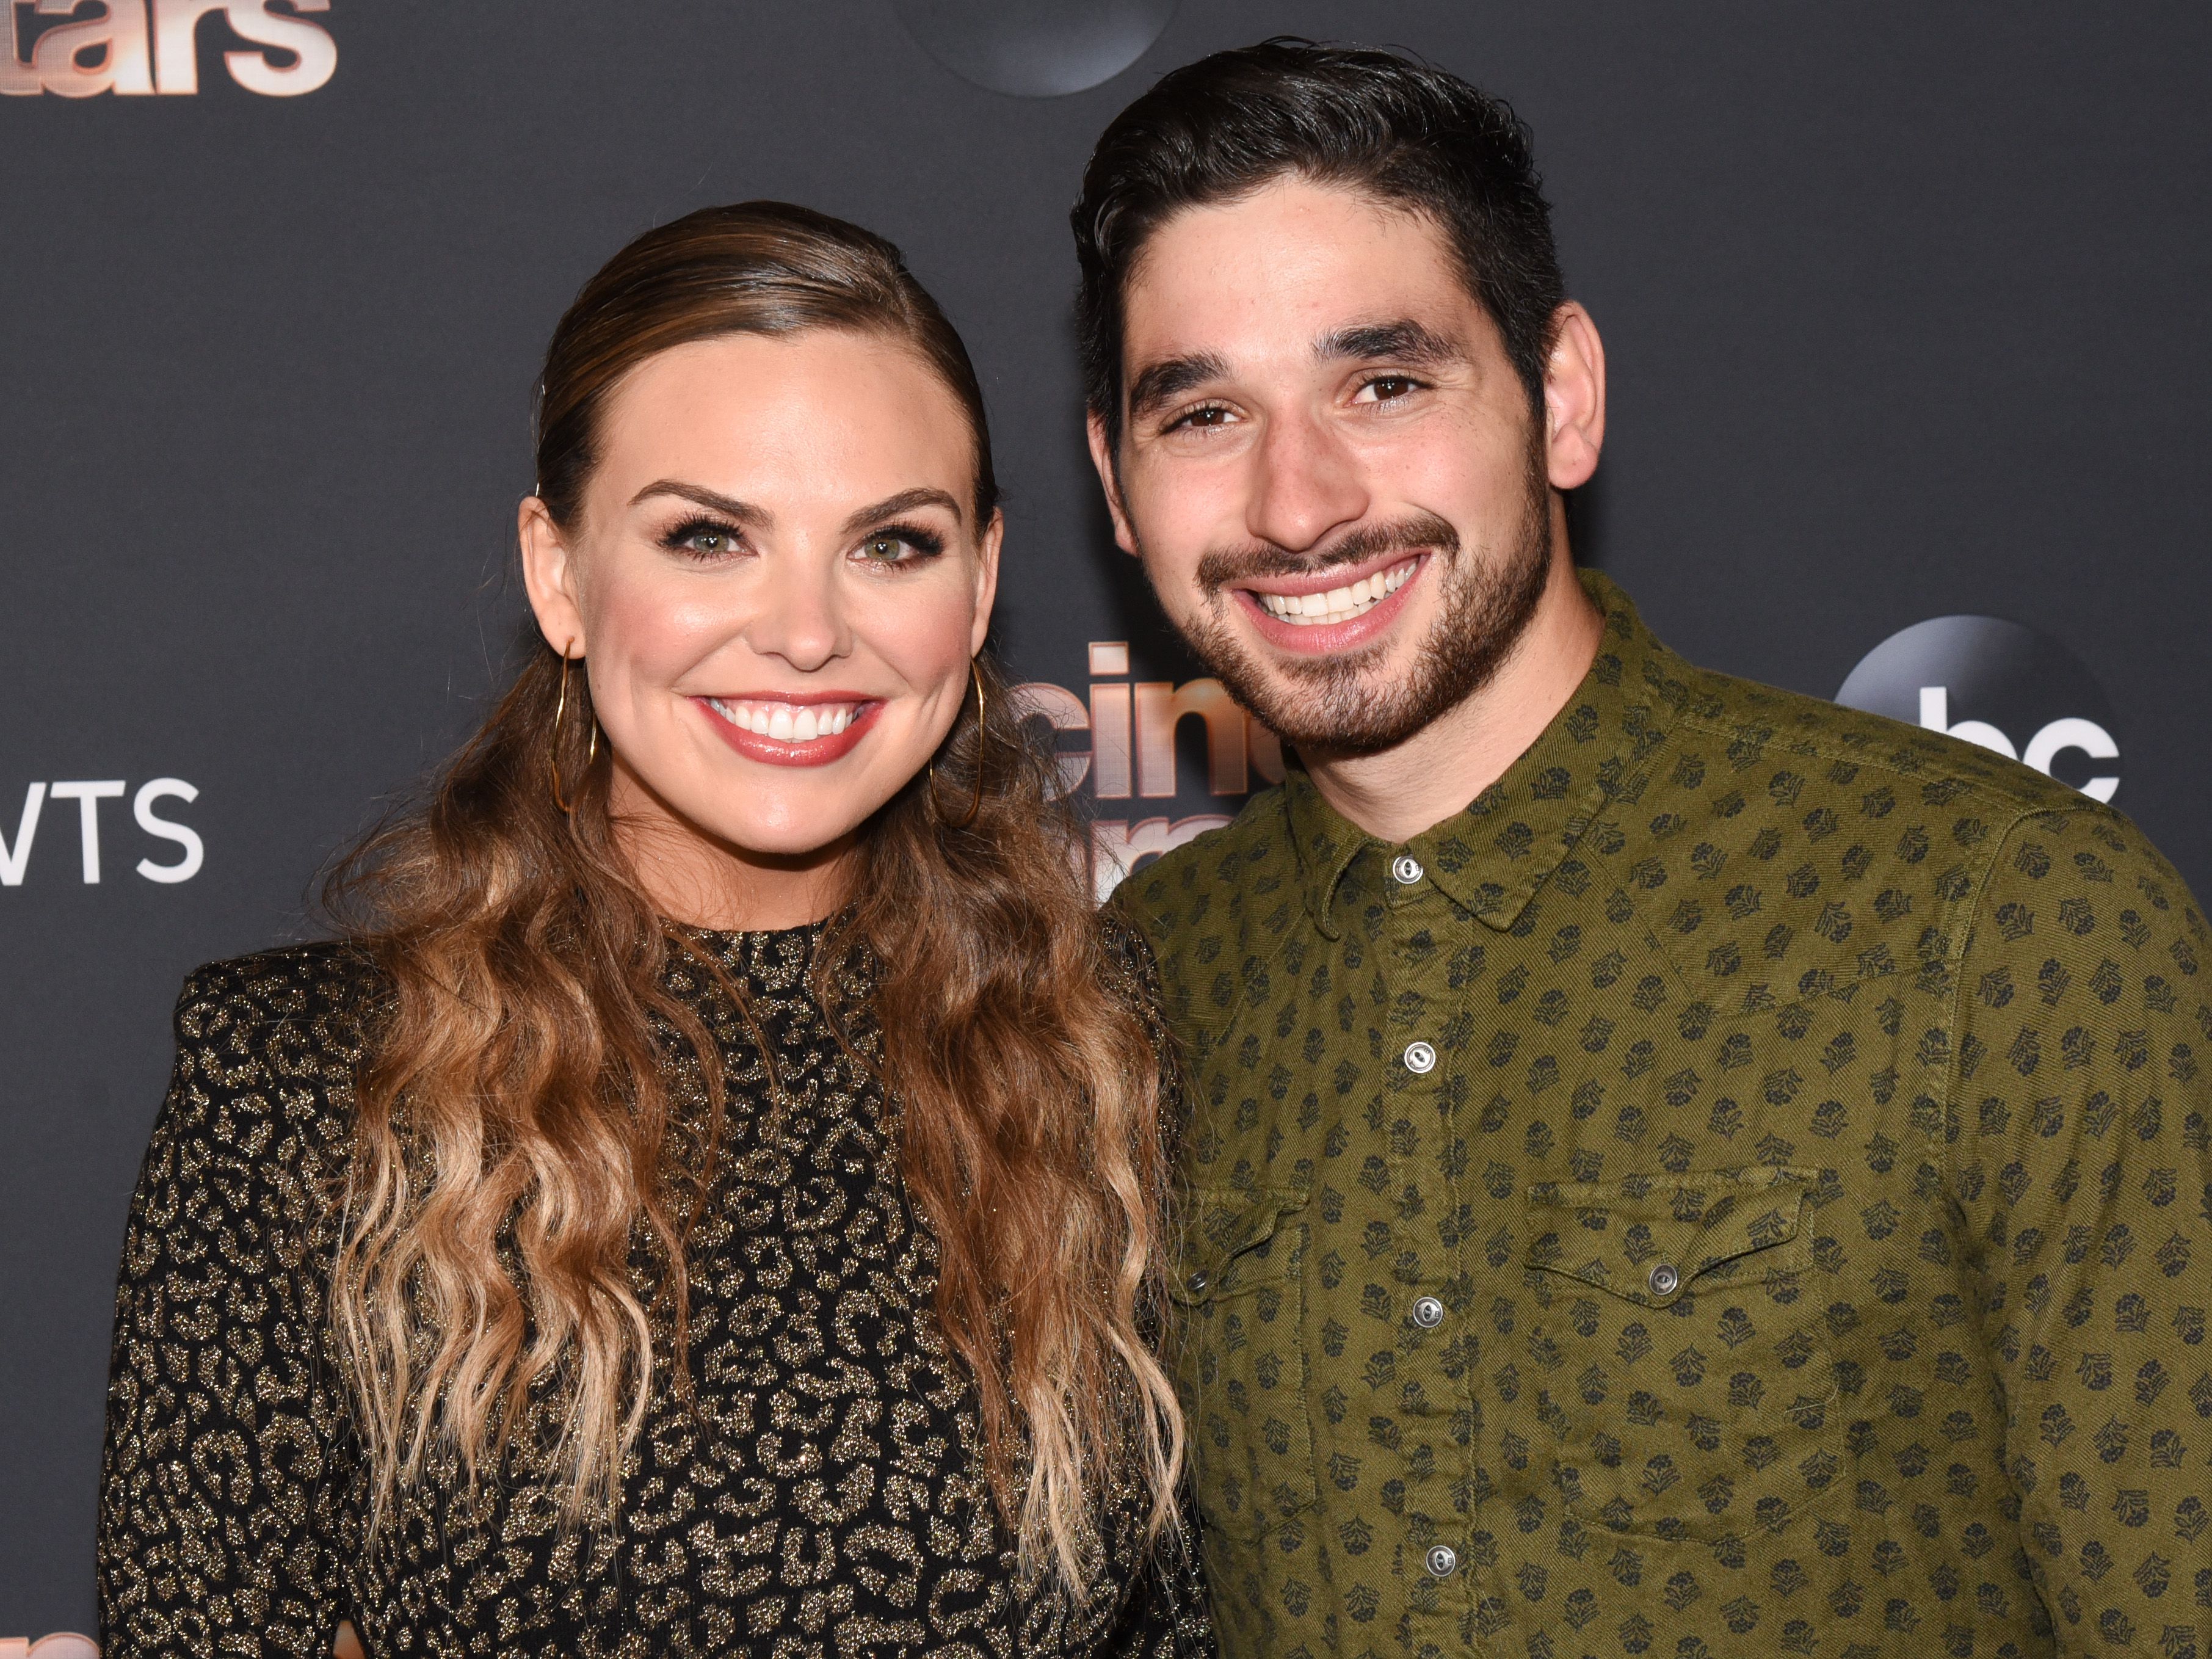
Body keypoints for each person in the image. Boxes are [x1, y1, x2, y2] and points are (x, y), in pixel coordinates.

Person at [1076, 39, 2211, 1659]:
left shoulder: (2002, 916)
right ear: (1119, 488)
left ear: (1564, 396)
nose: (1300, 499)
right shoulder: (1132, 995)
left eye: (1383, 384)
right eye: (1203, 412)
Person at [97, 202, 1213, 1659]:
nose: (807, 630)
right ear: (560, 573)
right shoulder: (305, 1084)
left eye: (892, 544)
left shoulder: (1099, 1045)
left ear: (984, 579)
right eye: (707, 537)